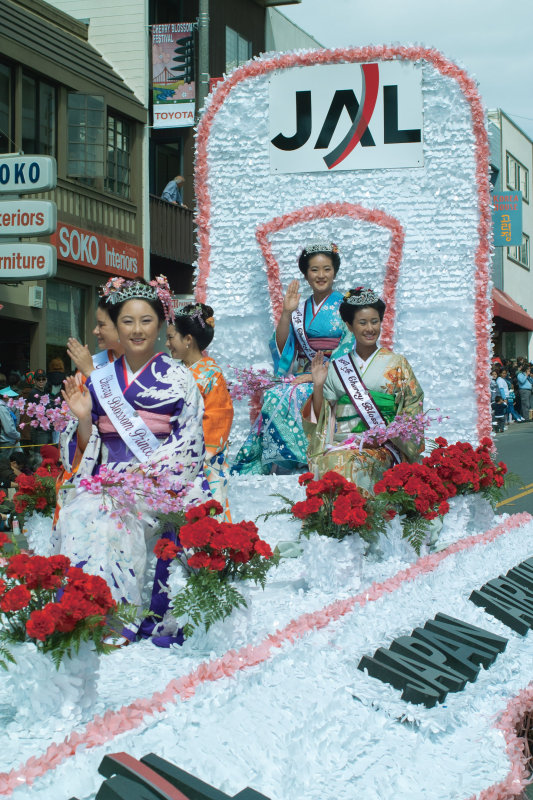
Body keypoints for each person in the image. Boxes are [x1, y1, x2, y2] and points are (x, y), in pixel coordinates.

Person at [55, 276, 210, 644]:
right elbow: (81, 448)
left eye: (146, 320)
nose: (137, 330)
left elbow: (190, 440)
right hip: (105, 480)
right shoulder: (97, 380)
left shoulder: (180, 378)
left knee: (113, 519)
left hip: (158, 482)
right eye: (127, 321)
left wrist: (144, 476)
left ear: (160, 324)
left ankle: (117, 619)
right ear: (116, 327)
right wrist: (81, 418)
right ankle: (82, 611)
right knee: (80, 513)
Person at [232, 241, 354, 475]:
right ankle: (287, 457)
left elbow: (349, 345)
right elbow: (283, 348)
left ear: (335, 272)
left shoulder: (346, 306)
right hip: (306, 372)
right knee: (276, 393)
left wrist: (315, 375)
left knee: (300, 392)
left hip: (336, 373)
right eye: (314, 270)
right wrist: (287, 312)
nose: (321, 275)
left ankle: (310, 455)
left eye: (327, 269)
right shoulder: (300, 309)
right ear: (306, 274)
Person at [303, 287, 424, 495]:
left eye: (374, 321)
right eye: (362, 322)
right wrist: (319, 385)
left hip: (385, 447)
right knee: (334, 461)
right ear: (350, 325)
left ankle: (358, 520)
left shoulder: (397, 364)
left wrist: (388, 434)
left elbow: (412, 407)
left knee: (352, 465)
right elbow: (323, 417)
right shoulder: (337, 366)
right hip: (343, 445)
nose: (370, 328)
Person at [167, 302, 234, 520]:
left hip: (202, 459)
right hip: (173, 457)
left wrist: (192, 451)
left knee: (206, 522)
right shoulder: (174, 372)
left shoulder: (210, 374)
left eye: (171, 338)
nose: (167, 344)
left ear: (188, 339)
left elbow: (219, 418)